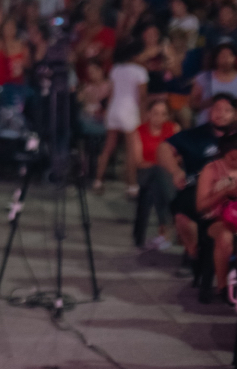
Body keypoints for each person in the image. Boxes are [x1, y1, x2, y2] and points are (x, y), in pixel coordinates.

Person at [159, 93, 236, 269]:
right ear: (210, 111)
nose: (221, 114)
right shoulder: (195, 135)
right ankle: (194, 254)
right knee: (182, 211)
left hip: (231, 191)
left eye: (227, 110)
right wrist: (175, 171)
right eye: (217, 109)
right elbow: (164, 148)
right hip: (198, 189)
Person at [95, 41, 149, 195]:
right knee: (131, 150)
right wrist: (143, 115)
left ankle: (98, 181)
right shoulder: (140, 71)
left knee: (108, 147)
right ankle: (131, 185)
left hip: (114, 109)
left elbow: (111, 93)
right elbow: (142, 97)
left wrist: (107, 112)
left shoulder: (116, 69)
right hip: (129, 111)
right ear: (135, 55)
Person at [133, 98, 179, 249]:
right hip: (146, 173)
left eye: (163, 114)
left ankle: (162, 234)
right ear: (148, 114)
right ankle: (170, 222)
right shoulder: (139, 131)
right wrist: (162, 164)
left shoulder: (173, 129)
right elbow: (139, 161)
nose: (159, 117)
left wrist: (167, 166)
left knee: (158, 184)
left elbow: (180, 155)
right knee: (158, 174)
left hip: (167, 174)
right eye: (155, 113)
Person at [195, 134, 237, 297]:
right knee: (225, 238)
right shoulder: (212, 169)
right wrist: (224, 192)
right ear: (224, 154)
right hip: (215, 219)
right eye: (232, 158)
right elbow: (201, 206)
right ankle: (223, 287)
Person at [191, 40, 237, 124]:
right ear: (216, 58)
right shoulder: (204, 77)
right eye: (223, 56)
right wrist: (207, 103)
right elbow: (193, 104)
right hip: (206, 123)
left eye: (230, 55)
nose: (226, 59)